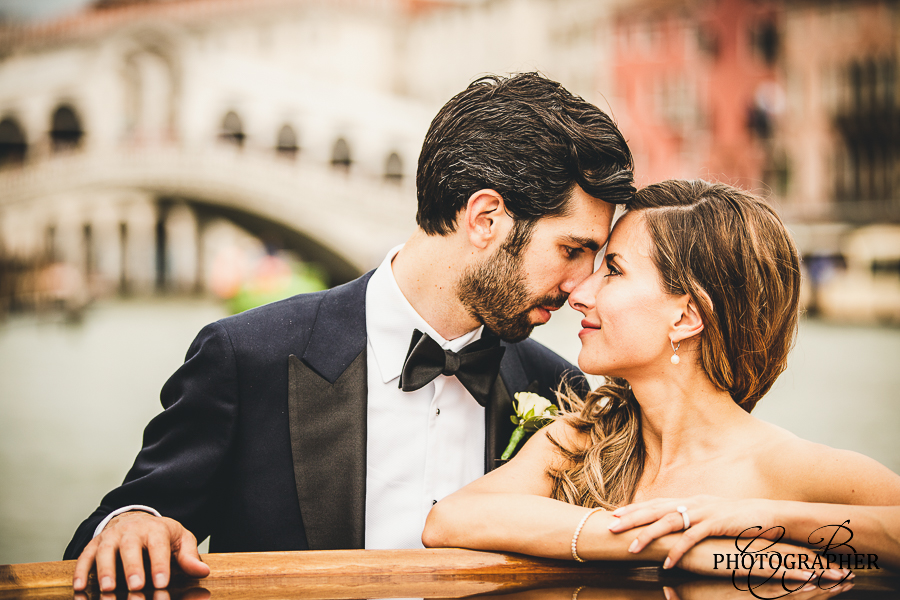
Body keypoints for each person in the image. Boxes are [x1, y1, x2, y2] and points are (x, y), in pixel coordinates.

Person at [65, 72, 636, 592]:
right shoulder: (247, 357)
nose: (583, 285)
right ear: (485, 219)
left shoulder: (560, 389)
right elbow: (118, 529)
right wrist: (133, 523)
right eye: (572, 250)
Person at [423, 180, 900, 579]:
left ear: (686, 316)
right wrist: (672, 540)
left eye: (612, 271)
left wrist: (769, 520)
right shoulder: (578, 442)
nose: (580, 293)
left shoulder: (786, 469)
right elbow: (447, 521)